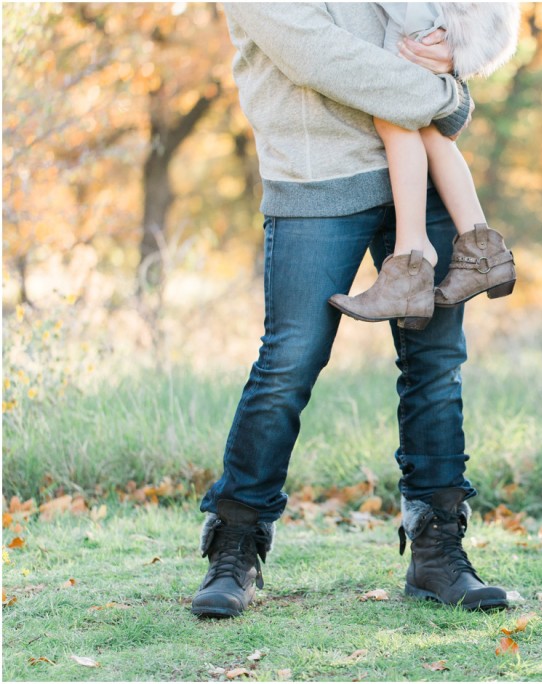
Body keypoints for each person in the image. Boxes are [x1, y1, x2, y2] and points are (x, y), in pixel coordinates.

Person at [191, 3, 508, 619]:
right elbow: (318, 56)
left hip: (421, 172)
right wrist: (444, 95)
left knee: (436, 364)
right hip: (317, 178)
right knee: (291, 359)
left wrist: (459, 54)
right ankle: (236, 543)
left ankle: (438, 549)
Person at [329, 3, 519, 329]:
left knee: (393, 113)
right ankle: (483, 251)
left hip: (417, 14)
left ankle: (412, 256)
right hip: (431, 15)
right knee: (426, 126)